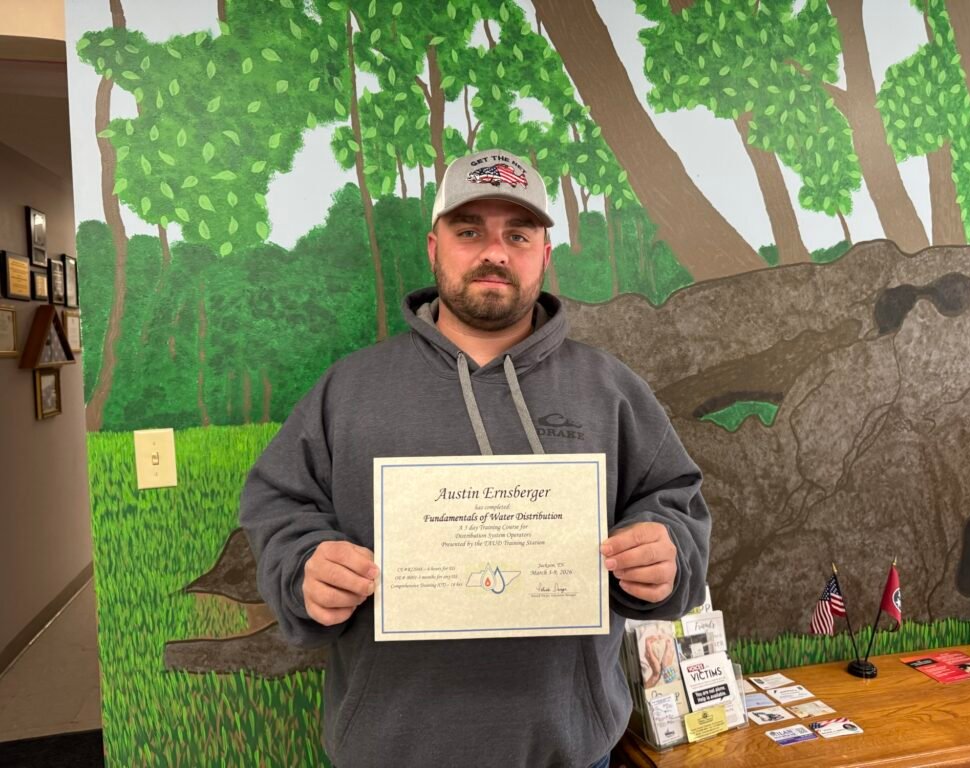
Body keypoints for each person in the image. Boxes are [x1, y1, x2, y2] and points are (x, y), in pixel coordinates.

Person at [239, 148, 711, 768]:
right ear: (435, 248)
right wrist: (303, 568)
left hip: (570, 752)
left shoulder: (611, 390)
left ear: (544, 255)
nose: (495, 252)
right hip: (390, 751)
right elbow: (276, 502)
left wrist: (666, 551)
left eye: (518, 234)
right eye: (470, 232)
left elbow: (675, 503)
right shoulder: (349, 390)